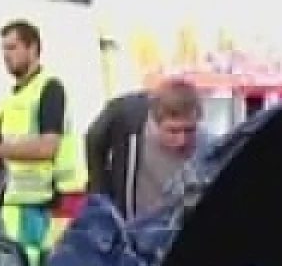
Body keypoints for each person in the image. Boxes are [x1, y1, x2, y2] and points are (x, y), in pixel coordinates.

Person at [0, 20, 86, 266]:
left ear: (32, 49)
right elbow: (13, 141)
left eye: (12, 48)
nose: (5, 56)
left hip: (32, 203)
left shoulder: (49, 88)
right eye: (3, 50)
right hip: (11, 203)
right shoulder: (16, 96)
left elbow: (47, 146)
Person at [84, 78, 212, 216]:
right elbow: (94, 138)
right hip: (135, 226)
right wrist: (99, 190)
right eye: (173, 131)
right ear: (155, 122)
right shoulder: (131, 127)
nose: (182, 140)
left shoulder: (209, 146)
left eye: (190, 130)